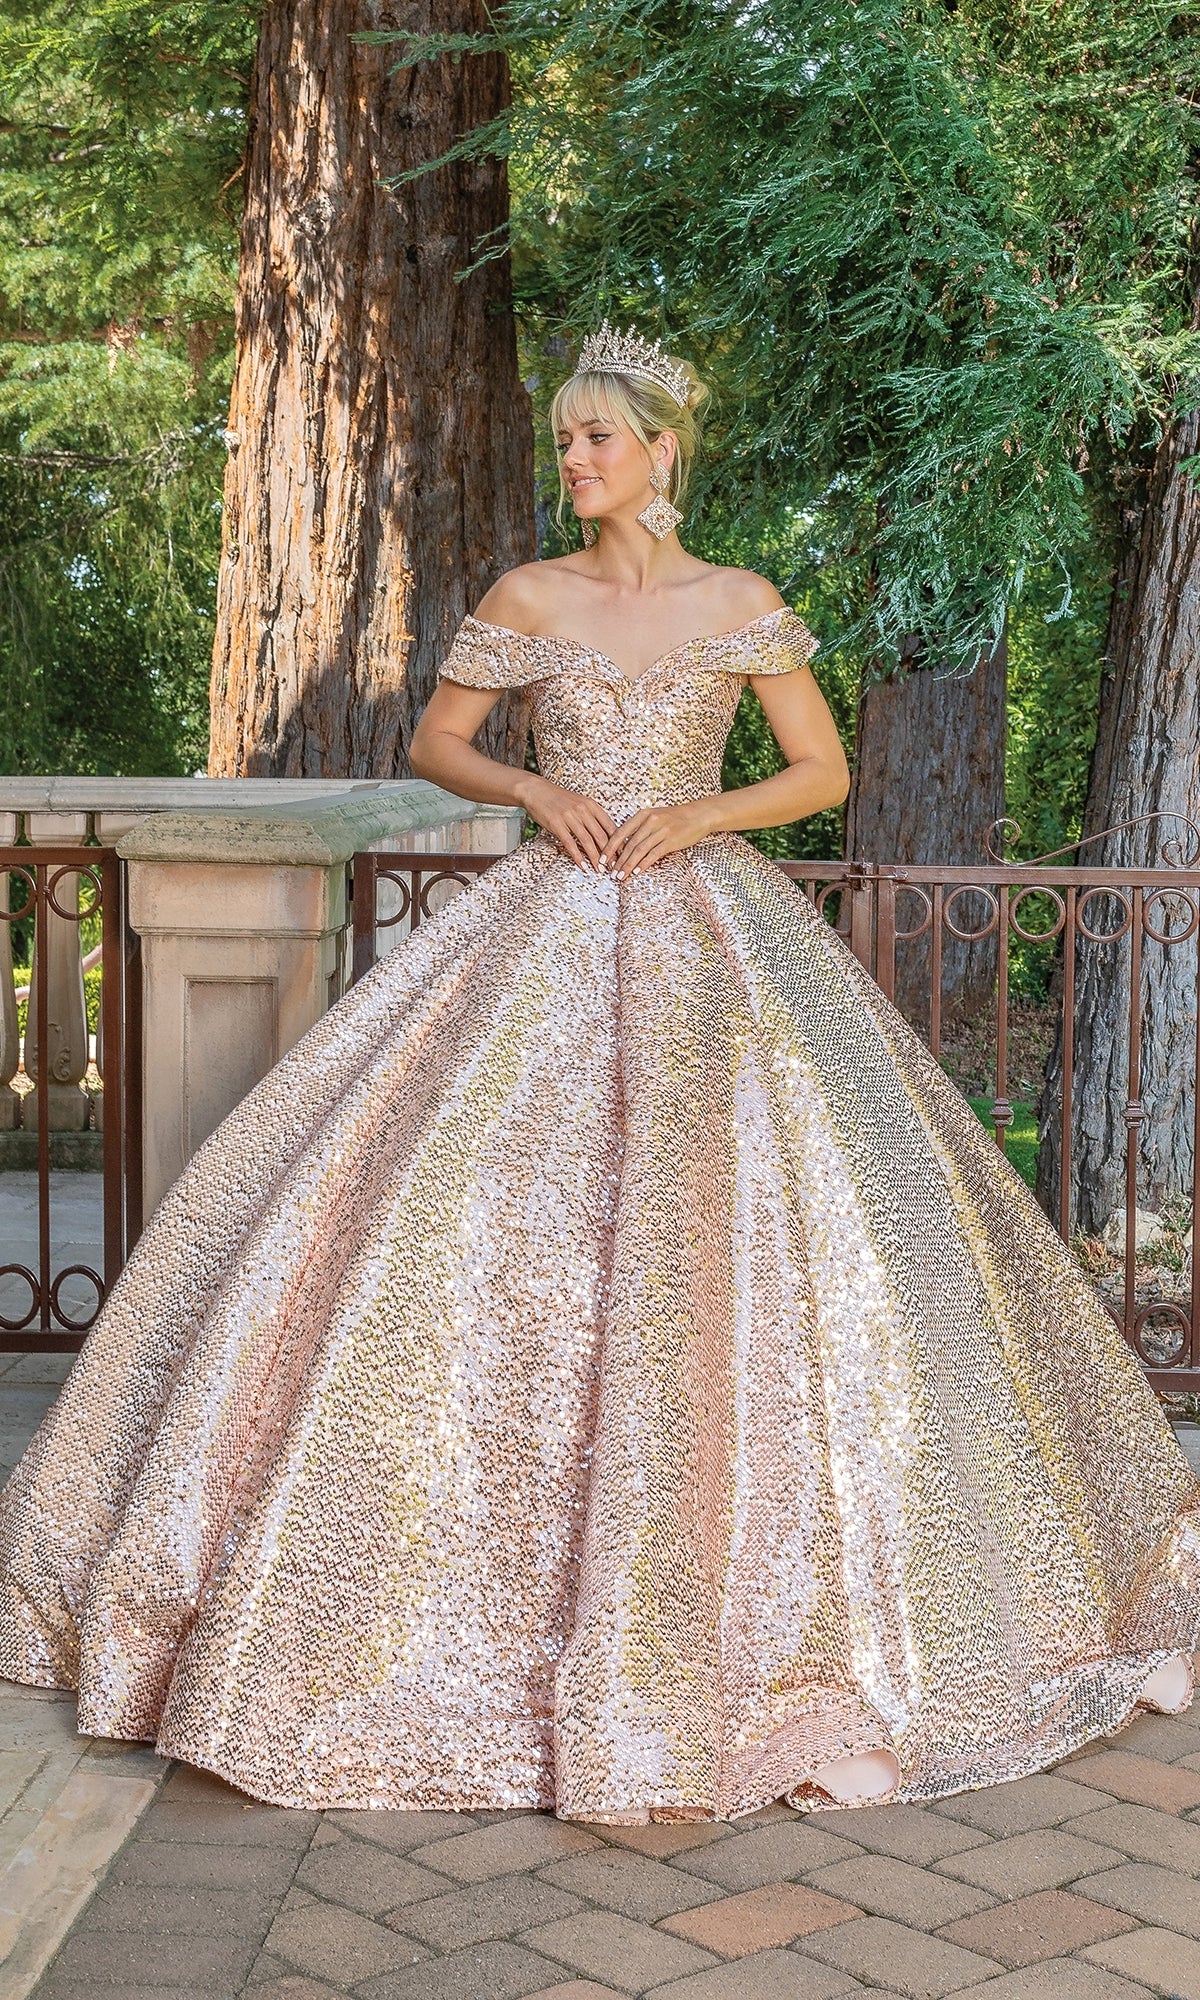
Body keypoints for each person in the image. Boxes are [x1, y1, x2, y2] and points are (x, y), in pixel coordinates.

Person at [0, 323, 1195, 1825]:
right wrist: (539, 786)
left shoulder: (739, 602)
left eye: (597, 440)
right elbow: (440, 740)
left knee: (751, 1229)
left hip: (709, 929)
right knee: (478, 1227)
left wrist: (695, 820)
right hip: (548, 926)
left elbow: (818, 772)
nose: (573, 462)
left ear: (663, 449)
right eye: (565, 440)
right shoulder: (528, 596)